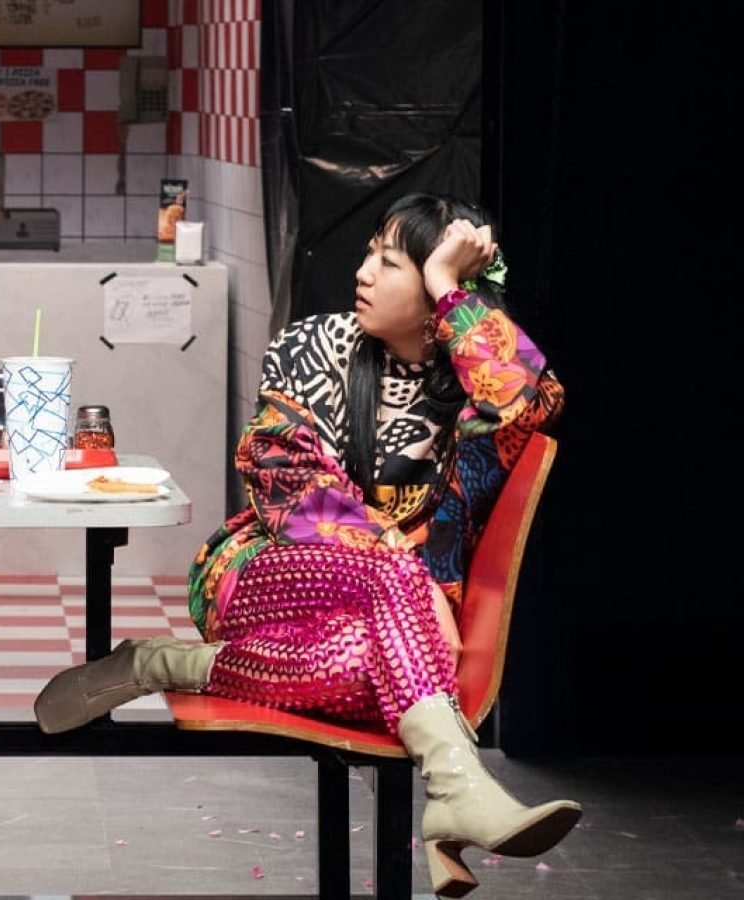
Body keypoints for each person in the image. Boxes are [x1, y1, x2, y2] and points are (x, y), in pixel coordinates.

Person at [34, 193, 576, 898]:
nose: (364, 272)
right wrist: (401, 568)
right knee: (398, 602)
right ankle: (455, 792)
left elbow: (528, 402)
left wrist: (449, 287)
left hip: (386, 626)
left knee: (374, 658)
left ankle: (169, 663)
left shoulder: (473, 384)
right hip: (264, 574)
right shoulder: (312, 345)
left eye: (392, 261)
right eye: (368, 252)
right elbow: (283, 478)